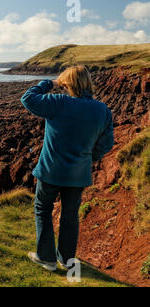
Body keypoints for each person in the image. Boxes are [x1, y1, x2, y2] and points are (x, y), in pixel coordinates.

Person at [21, 65, 115, 271]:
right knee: (70, 215)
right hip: (78, 173)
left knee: (43, 210)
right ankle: (66, 260)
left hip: (50, 170)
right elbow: (107, 143)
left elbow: (28, 98)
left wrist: (50, 83)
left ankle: (46, 258)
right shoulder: (102, 109)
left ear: (67, 83)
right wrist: (87, 158)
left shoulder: (58, 102)